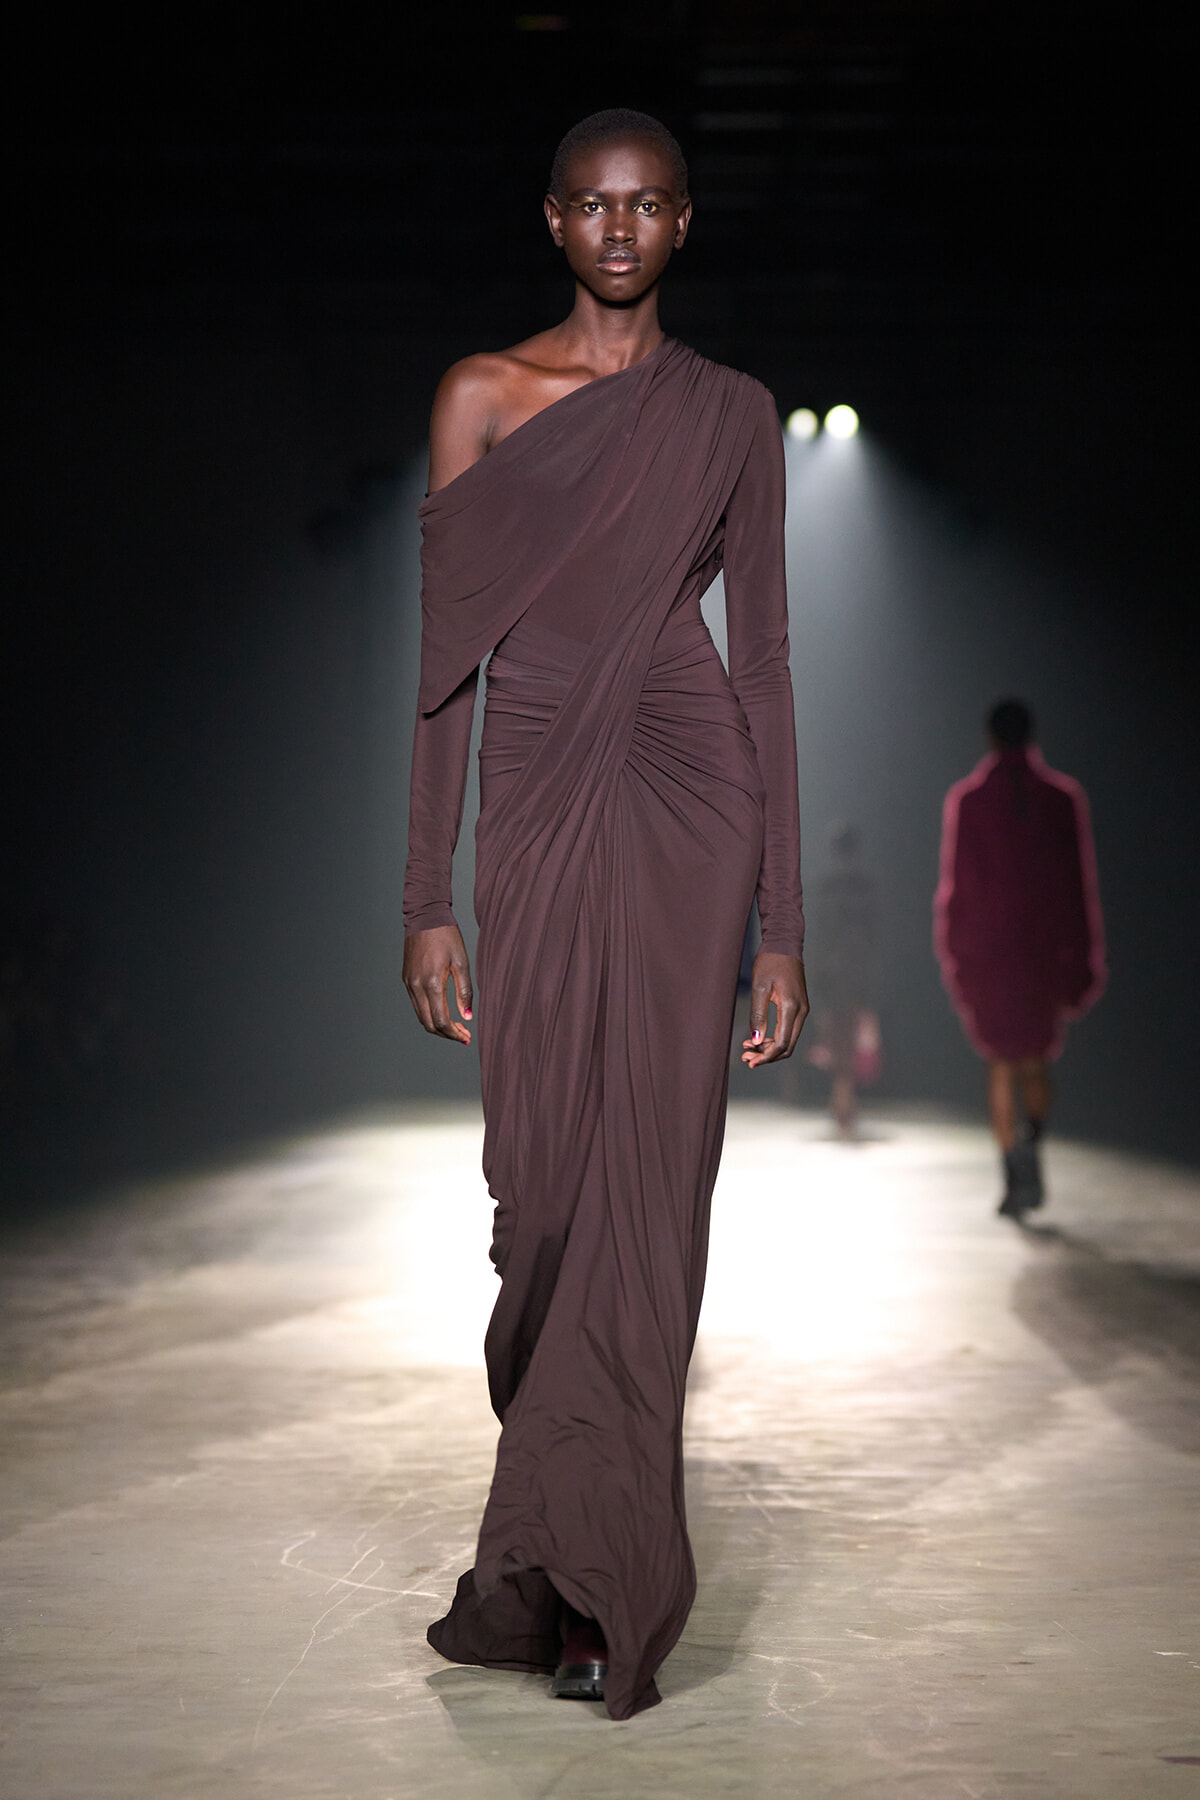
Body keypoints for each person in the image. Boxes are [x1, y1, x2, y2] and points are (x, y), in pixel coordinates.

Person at [401, 109, 808, 1719]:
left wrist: (782, 922)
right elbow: (444, 671)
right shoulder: (483, 398)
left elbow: (763, 661)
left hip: (691, 792)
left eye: (649, 206)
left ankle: (600, 1586)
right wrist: (423, 895)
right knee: (548, 1196)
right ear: (554, 219)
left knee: (652, 1194)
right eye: (593, 204)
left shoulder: (733, 414)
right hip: (537, 791)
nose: (620, 228)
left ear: (685, 224)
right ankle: (552, 1545)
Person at [934, 699, 1106, 1218]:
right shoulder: (1061, 798)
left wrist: (955, 957)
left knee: (1001, 1062)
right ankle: (1031, 1145)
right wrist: (1083, 960)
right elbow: (1078, 885)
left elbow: (957, 887)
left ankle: (1014, 1171)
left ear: (989, 737)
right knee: (1033, 1060)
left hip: (992, 954)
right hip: (1041, 953)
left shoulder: (969, 800)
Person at [804, 824, 881, 1137]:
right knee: (845, 1039)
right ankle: (844, 1101)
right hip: (853, 972)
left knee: (838, 1039)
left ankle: (842, 1101)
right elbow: (874, 935)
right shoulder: (864, 887)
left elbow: (817, 934)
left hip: (833, 973)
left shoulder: (826, 887)